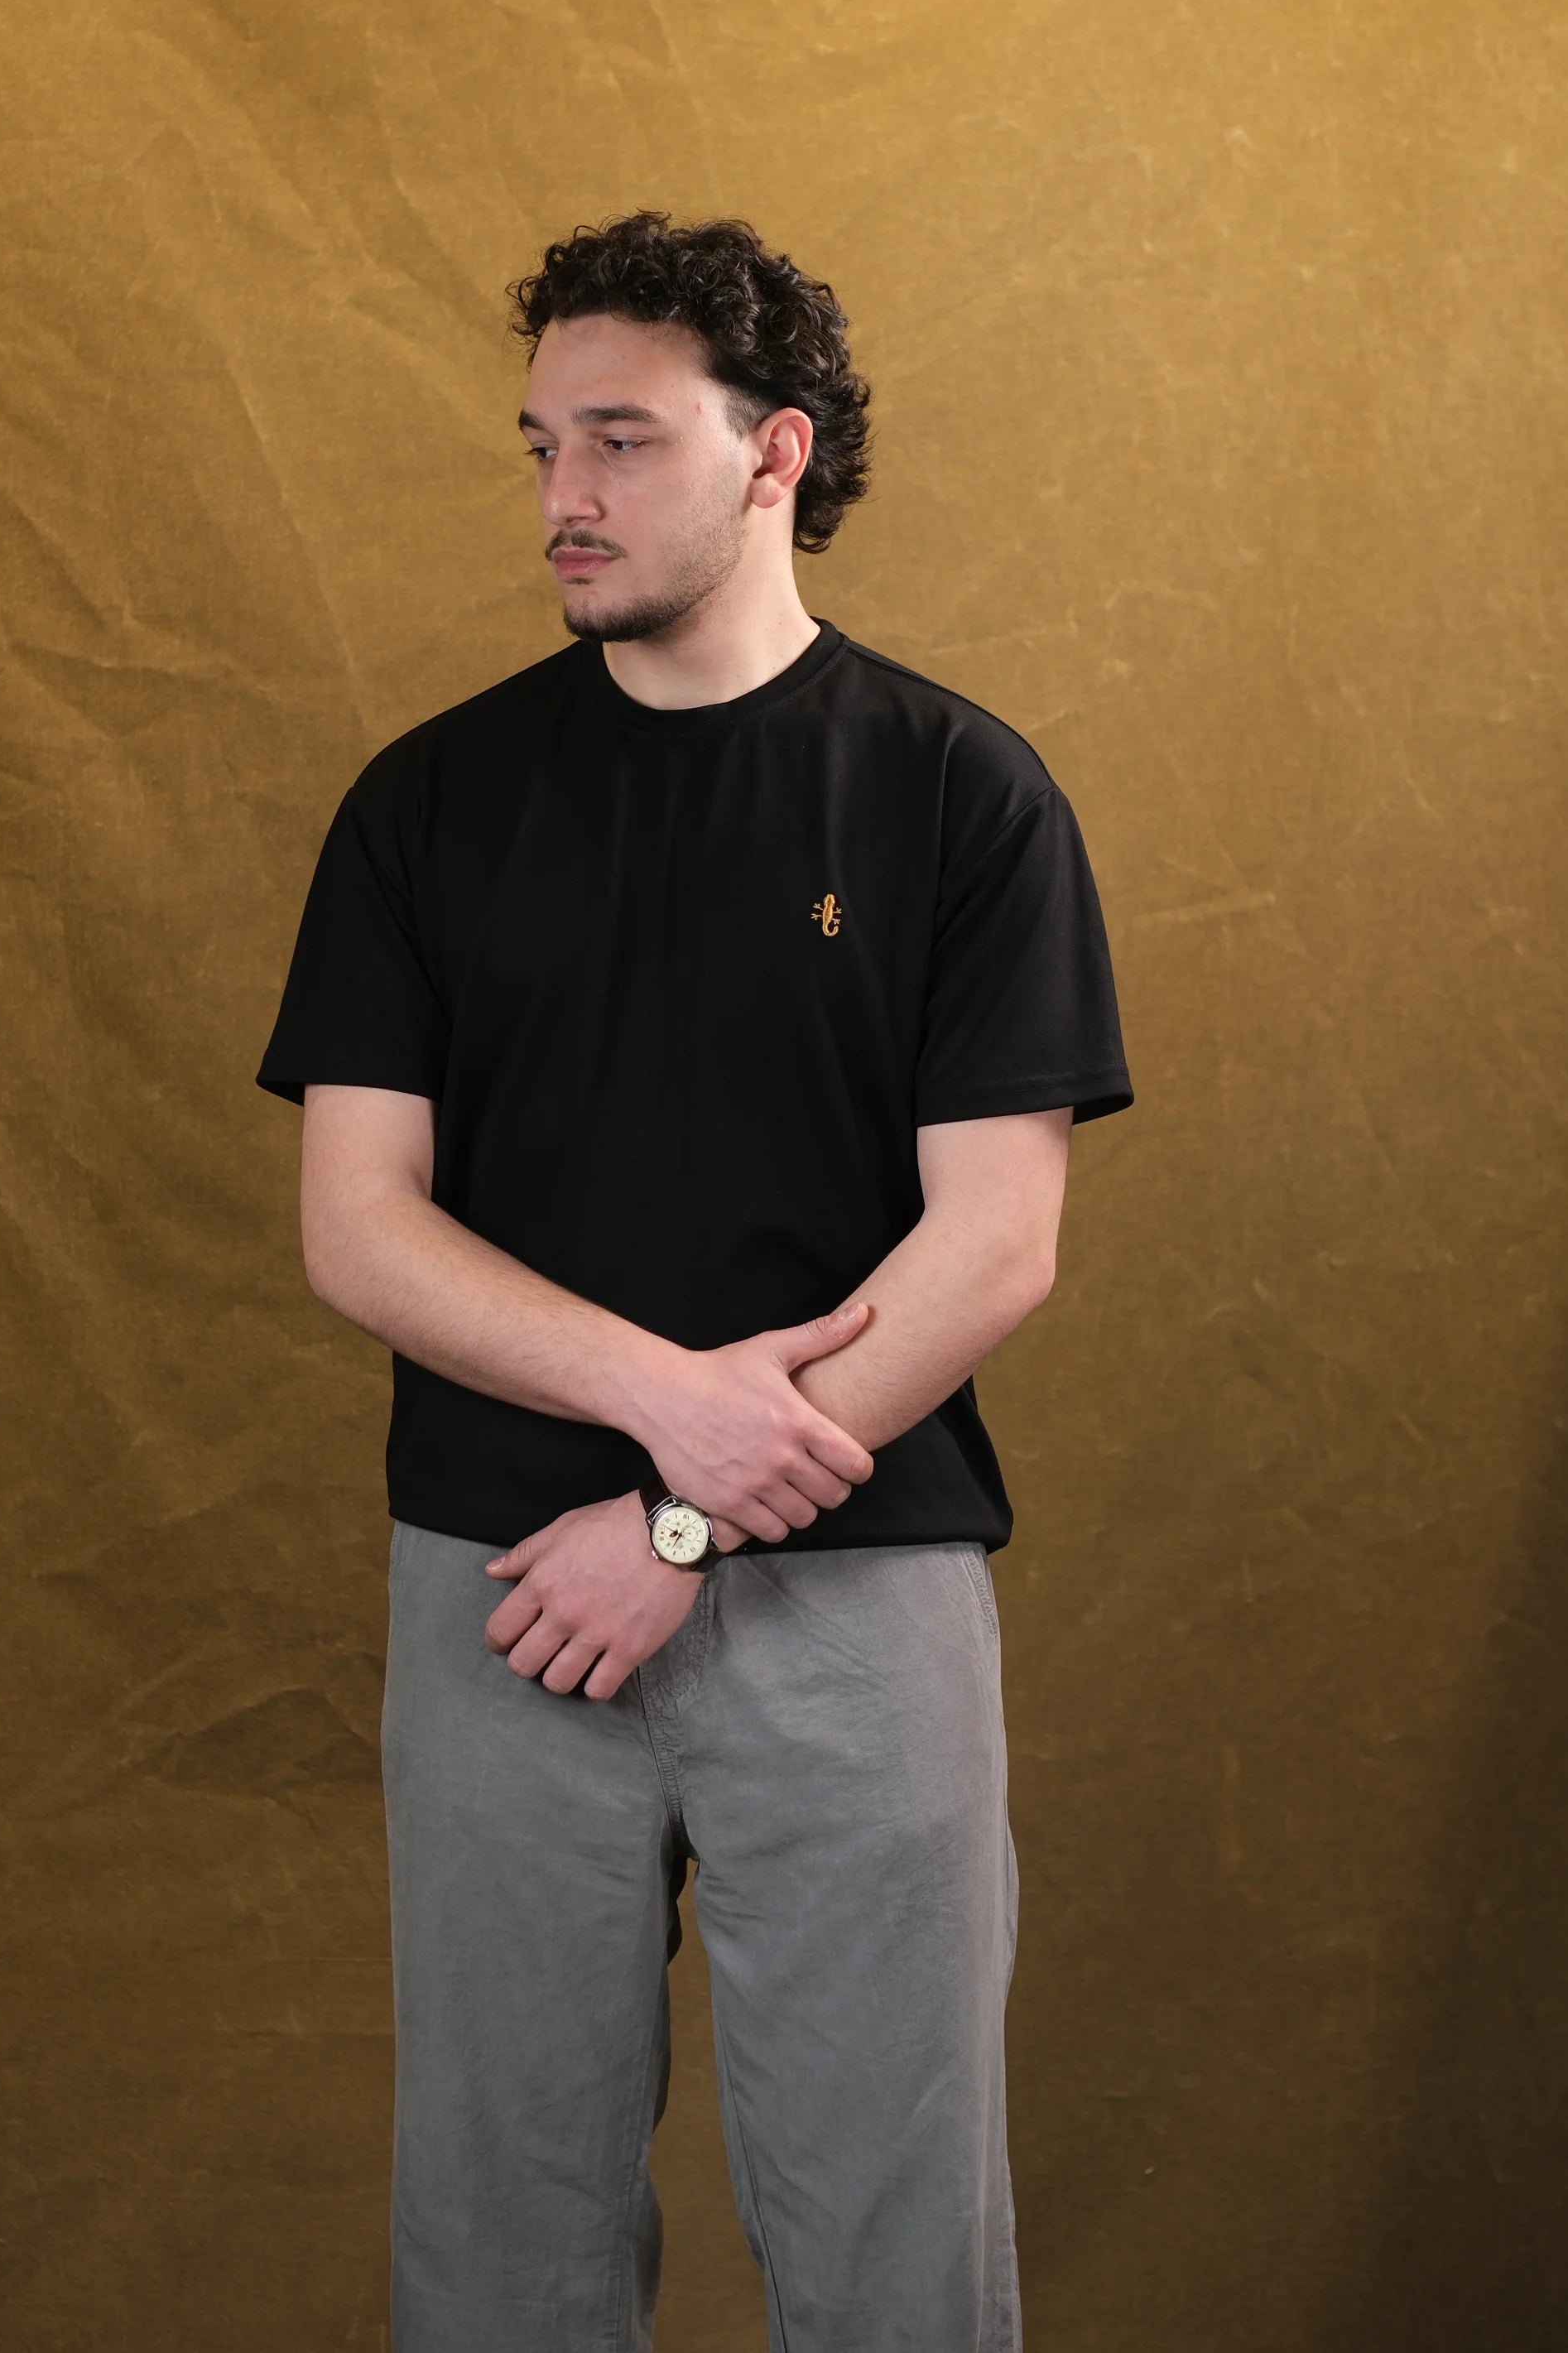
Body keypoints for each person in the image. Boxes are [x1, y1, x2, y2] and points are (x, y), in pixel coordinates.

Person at [256, 209, 1133, 2353]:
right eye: (541, 444)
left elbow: (995, 1243)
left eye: (623, 439)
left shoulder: (957, 794)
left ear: (774, 451)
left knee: (896, 2244)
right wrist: (668, 1405)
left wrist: (677, 1519)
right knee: (501, 2245)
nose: (563, 493)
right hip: (501, 1603)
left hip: (855, 1597)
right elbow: (358, 1222)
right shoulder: (428, 804)